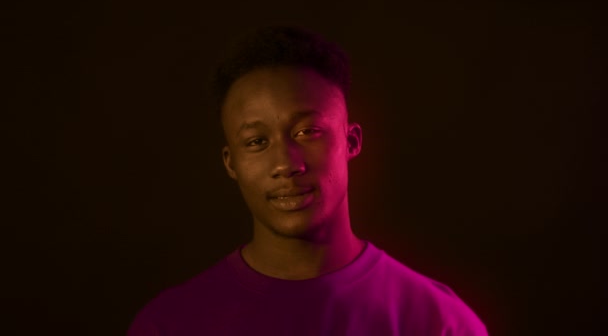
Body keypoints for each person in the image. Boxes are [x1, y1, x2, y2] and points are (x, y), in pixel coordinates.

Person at [127, 25, 487, 336]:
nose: (285, 164)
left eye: (307, 131)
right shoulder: (169, 326)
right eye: (256, 142)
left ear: (351, 141)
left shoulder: (439, 324)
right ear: (231, 162)